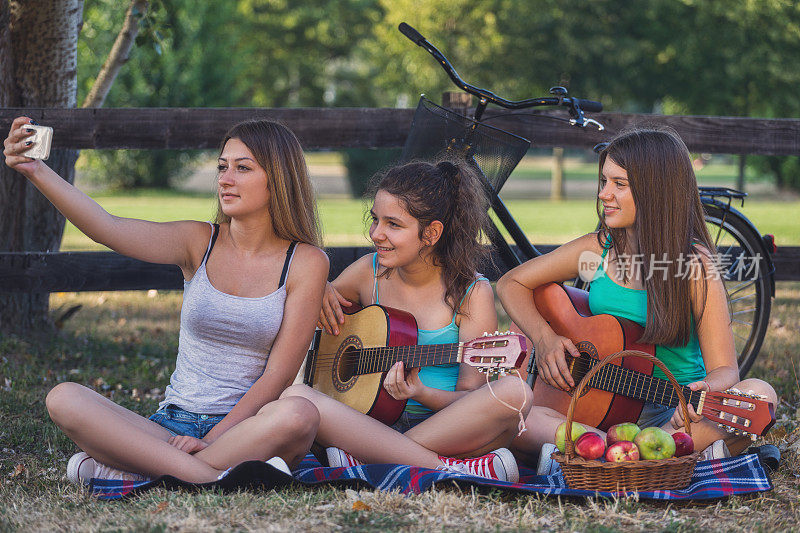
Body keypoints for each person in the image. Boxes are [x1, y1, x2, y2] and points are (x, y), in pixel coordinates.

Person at [3, 117, 329, 484]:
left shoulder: (306, 262)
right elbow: (107, 228)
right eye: (222, 166)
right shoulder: (198, 241)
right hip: (171, 425)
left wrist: (210, 440)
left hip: (248, 428)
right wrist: (36, 170)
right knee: (63, 398)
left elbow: (279, 375)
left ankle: (141, 471)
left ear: (279, 179)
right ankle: (210, 476)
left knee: (300, 415)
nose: (225, 178)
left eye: (243, 168)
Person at [497, 127, 777, 472]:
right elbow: (512, 283)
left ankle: (597, 456)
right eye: (603, 181)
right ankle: (660, 459)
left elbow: (725, 369)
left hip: (670, 415)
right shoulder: (596, 249)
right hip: (593, 411)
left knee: (759, 394)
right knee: (515, 414)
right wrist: (545, 337)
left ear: (654, 190)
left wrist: (705, 389)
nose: (603, 194)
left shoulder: (694, 265)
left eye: (619, 184)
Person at [282, 160, 532, 482]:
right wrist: (320, 289)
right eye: (375, 220)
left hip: (442, 429)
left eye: (393, 225)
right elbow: (313, 316)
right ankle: (447, 469)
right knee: (296, 397)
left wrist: (420, 392)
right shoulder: (368, 272)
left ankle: (370, 457)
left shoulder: (470, 292)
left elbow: (471, 395)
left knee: (516, 392)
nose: (376, 234)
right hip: (367, 421)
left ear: (431, 233)